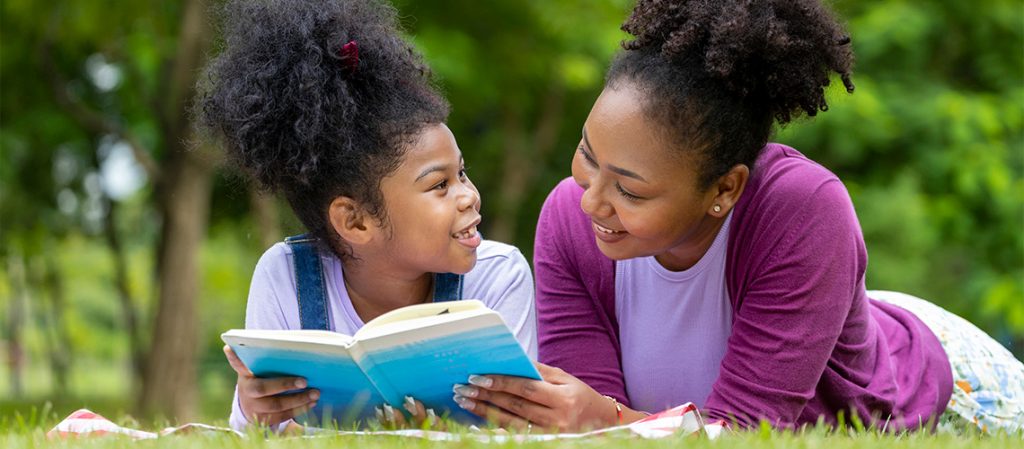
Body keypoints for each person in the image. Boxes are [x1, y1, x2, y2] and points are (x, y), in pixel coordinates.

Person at [449, 0, 1024, 434]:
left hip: (946, 389)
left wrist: (602, 419)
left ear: (724, 188)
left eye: (630, 190)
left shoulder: (803, 212)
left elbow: (748, 433)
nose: (591, 201)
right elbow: (587, 412)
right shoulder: (569, 224)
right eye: (588, 157)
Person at [197, 0, 536, 432]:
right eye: (439, 185)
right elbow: (259, 434)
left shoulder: (497, 276)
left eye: (462, 173)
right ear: (355, 221)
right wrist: (253, 410)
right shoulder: (284, 277)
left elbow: (519, 428)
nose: (469, 196)